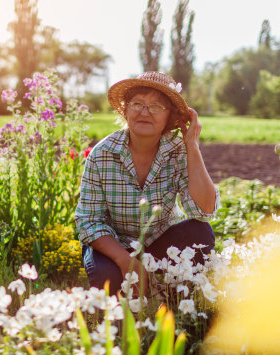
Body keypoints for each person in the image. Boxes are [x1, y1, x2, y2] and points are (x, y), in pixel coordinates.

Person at [74, 71, 219, 294]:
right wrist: (126, 261)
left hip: (161, 241)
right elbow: (89, 221)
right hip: (115, 244)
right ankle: (122, 313)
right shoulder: (102, 154)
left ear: (170, 117)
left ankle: (175, 303)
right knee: (107, 280)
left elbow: (203, 212)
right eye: (137, 103)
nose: (144, 112)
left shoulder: (178, 151)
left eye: (156, 106)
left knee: (201, 232)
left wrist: (192, 146)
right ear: (125, 110)